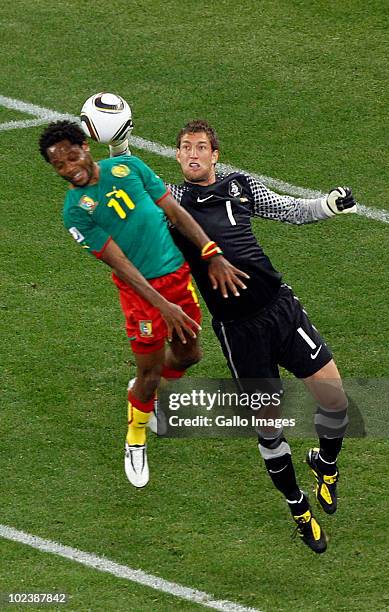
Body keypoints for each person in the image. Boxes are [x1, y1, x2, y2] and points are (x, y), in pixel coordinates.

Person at [107, 115, 355, 553]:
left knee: (335, 400)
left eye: (201, 147)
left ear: (215, 155)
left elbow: (288, 209)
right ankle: (299, 509)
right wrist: (117, 146)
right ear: (178, 156)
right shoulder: (173, 204)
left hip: (280, 308)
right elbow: (131, 190)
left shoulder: (240, 186)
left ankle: (325, 464)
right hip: (239, 333)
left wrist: (327, 206)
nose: (193, 153)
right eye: (185, 147)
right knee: (269, 430)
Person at [38, 120, 248, 490]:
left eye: (71, 157)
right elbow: (123, 265)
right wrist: (163, 305)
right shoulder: (76, 212)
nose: (69, 169)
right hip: (141, 296)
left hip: (177, 278)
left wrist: (210, 251)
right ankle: (136, 436)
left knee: (189, 355)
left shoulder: (130, 168)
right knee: (150, 374)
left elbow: (176, 213)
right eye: (59, 166)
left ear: (85, 146)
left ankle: (141, 394)